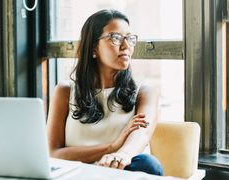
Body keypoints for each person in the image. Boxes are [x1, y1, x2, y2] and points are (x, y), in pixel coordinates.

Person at [46, 9, 164, 176]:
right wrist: (112, 146)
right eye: (116, 37)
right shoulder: (64, 92)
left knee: (148, 164)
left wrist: (122, 153)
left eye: (129, 38)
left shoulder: (144, 93)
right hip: (77, 176)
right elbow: (53, 154)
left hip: (119, 172)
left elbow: (142, 134)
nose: (126, 45)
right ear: (94, 46)